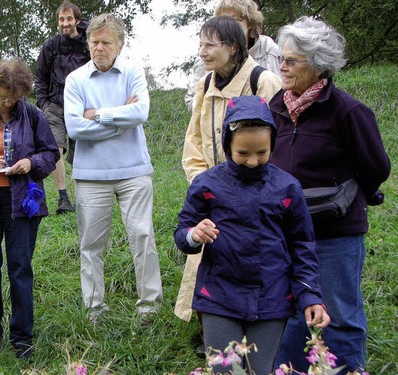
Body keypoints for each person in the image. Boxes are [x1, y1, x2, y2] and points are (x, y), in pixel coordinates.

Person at [174, 95, 330, 375]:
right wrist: (194, 235)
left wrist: (310, 295)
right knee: (224, 370)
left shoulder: (287, 187)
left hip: (272, 298)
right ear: (227, 146)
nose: (253, 161)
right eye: (243, 153)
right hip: (218, 296)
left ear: (273, 144)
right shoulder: (207, 184)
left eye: (262, 152)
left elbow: (303, 244)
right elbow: (182, 232)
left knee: (261, 370)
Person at [269, 17, 390, 373]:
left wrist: (344, 196)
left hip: (335, 233)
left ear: (319, 65)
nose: (283, 66)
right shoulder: (276, 106)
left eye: (292, 60)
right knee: (290, 313)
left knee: (338, 315)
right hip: (286, 232)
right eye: (282, 58)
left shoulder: (348, 111)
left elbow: (375, 166)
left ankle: (349, 369)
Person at [176, 15, 282, 355]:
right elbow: (192, 143)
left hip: (257, 192)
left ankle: (260, 336)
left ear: (233, 47)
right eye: (200, 43)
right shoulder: (205, 84)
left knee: (254, 257)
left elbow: (275, 143)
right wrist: (204, 185)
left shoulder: (262, 81)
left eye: (210, 44)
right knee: (210, 255)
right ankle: (214, 333)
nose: (202, 51)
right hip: (213, 192)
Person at [63, 13, 163, 325]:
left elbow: (141, 112)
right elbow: (75, 127)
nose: (99, 48)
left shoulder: (133, 70)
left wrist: (99, 115)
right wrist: (119, 122)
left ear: (119, 44)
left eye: (106, 42)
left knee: (143, 236)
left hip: (134, 170)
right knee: (91, 244)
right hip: (91, 176)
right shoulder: (76, 80)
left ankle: (149, 306)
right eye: (94, 42)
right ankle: (94, 310)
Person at [0, 57, 59, 359]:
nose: (6, 101)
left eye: (12, 96)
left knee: (20, 269)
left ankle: (22, 338)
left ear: (22, 92)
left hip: (22, 203)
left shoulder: (32, 115)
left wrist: (31, 163)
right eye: (2, 94)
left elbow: (50, 153)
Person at [35, 1, 90, 214]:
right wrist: (43, 103)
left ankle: (82, 196)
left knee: (82, 152)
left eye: (69, 19)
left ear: (77, 20)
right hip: (55, 104)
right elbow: (39, 77)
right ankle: (63, 197)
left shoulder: (87, 42)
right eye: (61, 19)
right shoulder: (51, 46)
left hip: (82, 106)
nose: (65, 23)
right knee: (55, 146)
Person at [184, 0, 281, 112]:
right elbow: (193, 101)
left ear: (249, 23)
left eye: (234, 20)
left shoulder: (268, 51)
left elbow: (278, 97)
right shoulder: (206, 57)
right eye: (223, 20)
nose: (228, 26)